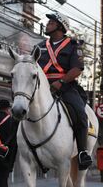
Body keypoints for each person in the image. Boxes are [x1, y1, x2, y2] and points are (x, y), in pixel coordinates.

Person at [35, 11, 92, 170]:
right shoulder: (39, 46)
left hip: (65, 87)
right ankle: (13, 150)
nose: (47, 25)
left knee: (80, 114)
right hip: (42, 87)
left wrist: (61, 81)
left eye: (51, 23)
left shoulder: (74, 46)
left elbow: (77, 69)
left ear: (60, 26)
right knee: (20, 110)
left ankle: (82, 152)